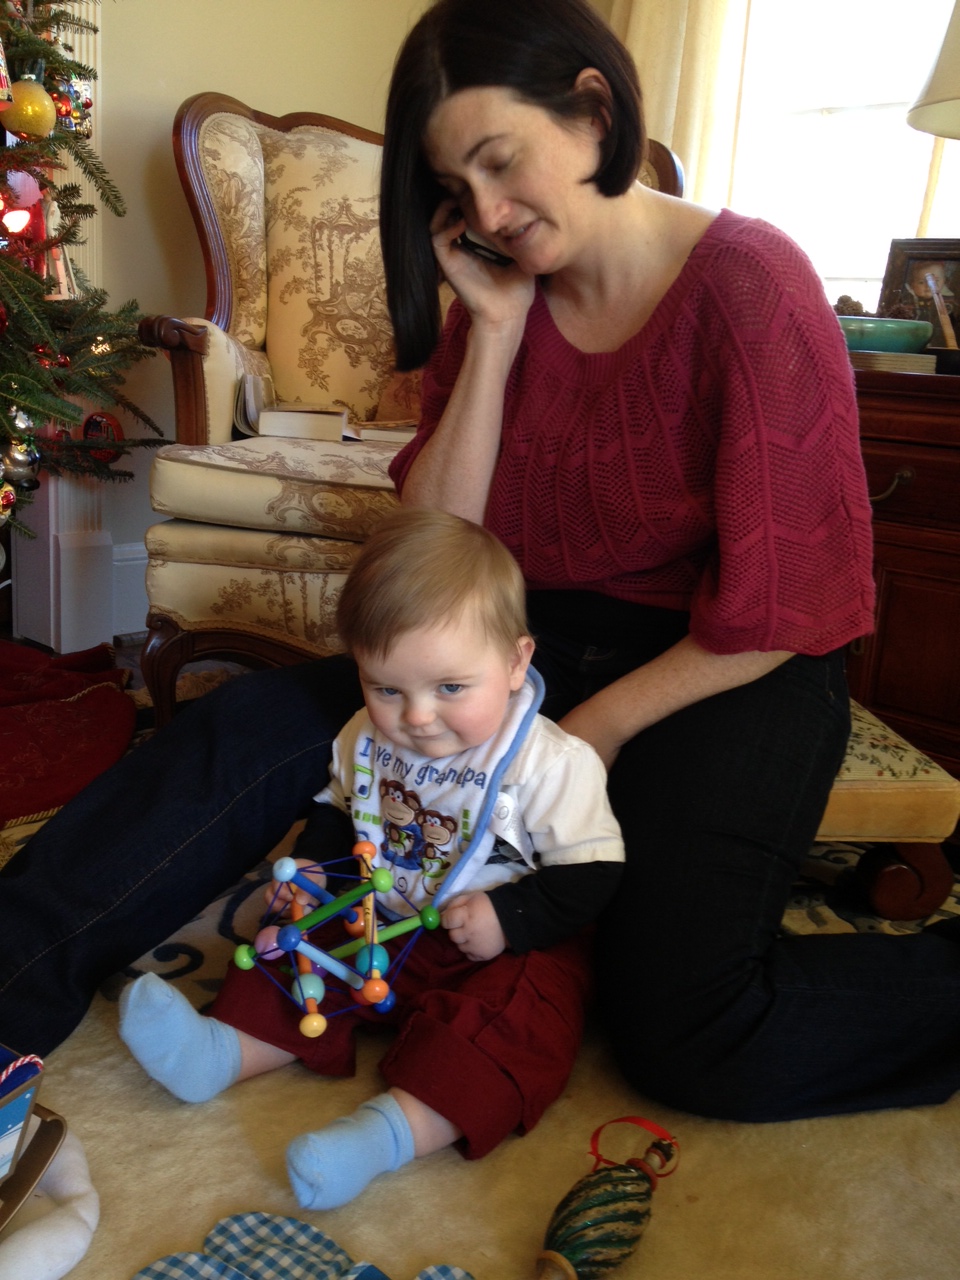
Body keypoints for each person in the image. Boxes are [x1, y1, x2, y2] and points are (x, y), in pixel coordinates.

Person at [3, 0, 960, 1124]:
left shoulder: (754, 283)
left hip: (727, 662)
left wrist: (583, 733)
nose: (490, 215)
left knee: (688, 1029)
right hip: (512, 644)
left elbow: (791, 608)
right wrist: (499, 335)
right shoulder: (494, 302)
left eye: (502, 162)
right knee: (241, 731)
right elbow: (433, 548)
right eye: (459, 189)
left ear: (593, 111)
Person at [117, 507, 624, 1209]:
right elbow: (339, 809)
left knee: (519, 1021)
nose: (416, 717)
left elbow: (595, 874)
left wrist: (511, 917)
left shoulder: (550, 762)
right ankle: (219, 1053)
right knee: (291, 946)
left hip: (502, 944)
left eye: (450, 688)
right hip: (379, 913)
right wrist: (314, 868)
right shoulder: (364, 734)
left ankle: (381, 1136)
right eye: (387, 688)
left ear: (515, 663)